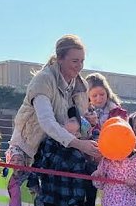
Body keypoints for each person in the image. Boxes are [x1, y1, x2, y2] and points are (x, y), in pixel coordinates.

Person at [10, 35, 99, 163]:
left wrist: (87, 121)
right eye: (75, 61)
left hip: (57, 153)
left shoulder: (83, 86)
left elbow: (78, 120)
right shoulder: (43, 80)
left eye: (82, 61)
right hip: (27, 150)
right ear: (60, 59)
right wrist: (79, 144)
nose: (79, 66)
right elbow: (47, 122)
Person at [84, 72, 128, 139]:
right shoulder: (82, 113)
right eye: (94, 96)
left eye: (102, 94)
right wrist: (90, 124)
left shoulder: (118, 113)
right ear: (88, 97)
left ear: (107, 93)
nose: (99, 99)